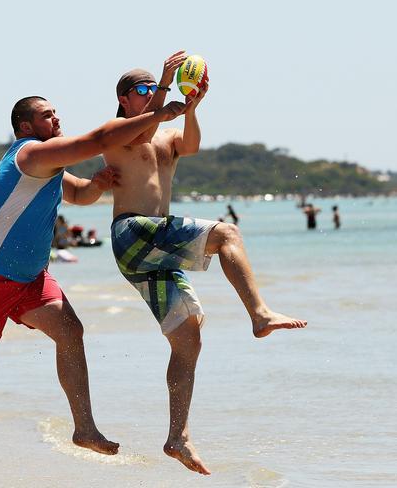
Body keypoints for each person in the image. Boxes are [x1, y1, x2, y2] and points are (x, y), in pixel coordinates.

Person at [0, 95, 188, 481]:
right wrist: (158, 114)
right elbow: (96, 139)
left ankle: (84, 428)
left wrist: (97, 184)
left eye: (55, 112)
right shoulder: (30, 155)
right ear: (26, 127)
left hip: (30, 278)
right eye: (47, 115)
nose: (56, 117)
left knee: (70, 331)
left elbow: (79, 194)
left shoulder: (49, 166)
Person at [103, 51, 307, 476]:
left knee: (188, 339)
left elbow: (190, 145)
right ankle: (260, 313)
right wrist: (163, 82)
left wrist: (192, 107)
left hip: (153, 250)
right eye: (141, 90)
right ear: (124, 99)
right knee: (227, 233)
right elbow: (142, 133)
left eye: (151, 90)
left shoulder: (166, 134)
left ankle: (177, 436)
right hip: (133, 231)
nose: (149, 95)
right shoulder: (120, 133)